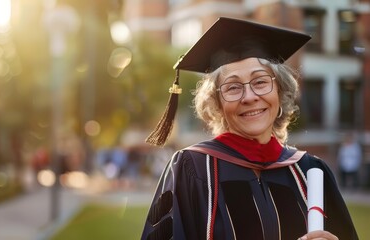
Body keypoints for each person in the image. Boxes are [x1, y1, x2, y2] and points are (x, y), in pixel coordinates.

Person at [141, 17, 358, 240]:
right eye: (233, 87)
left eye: (261, 82)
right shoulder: (190, 169)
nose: (250, 97)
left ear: (280, 91)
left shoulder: (311, 172)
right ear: (217, 104)